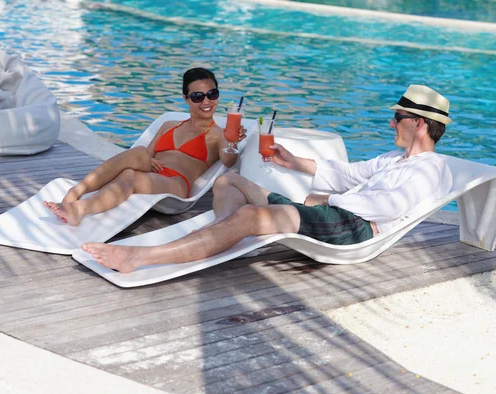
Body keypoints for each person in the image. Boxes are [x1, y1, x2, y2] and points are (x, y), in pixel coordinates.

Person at [83, 84, 453, 273]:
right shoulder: (394, 157)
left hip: (352, 227)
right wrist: (293, 162)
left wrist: (328, 201)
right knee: (227, 183)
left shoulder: (429, 169)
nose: (392, 122)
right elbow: (346, 173)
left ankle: (141, 258)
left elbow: (388, 207)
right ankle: (217, 240)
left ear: (418, 124)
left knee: (248, 217)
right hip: (330, 214)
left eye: (398, 117)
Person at [44, 67, 246, 226]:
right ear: (186, 99)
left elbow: (229, 160)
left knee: (129, 175)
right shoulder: (169, 125)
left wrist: (232, 141)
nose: (206, 101)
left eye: (212, 94)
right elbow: (145, 156)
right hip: (150, 173)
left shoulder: (219, 134)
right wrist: (147, 160)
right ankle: (76, 192)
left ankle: (79, 209)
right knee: (137, 157)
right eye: (197, 96)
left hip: (175, 184)